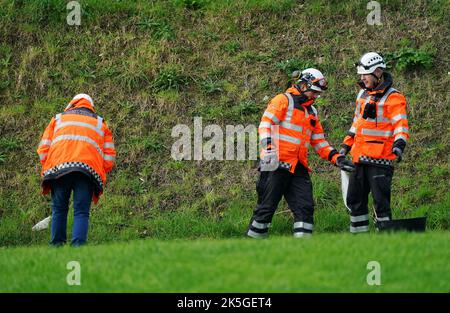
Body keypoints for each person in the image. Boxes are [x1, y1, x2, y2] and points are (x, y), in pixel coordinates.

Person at [246, 68, 355, 238]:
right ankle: (249, 246)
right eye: (314, 92)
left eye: (318, 94)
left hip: (298, 166)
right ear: (303, 85)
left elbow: (319, 142)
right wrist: (268, 147)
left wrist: (337, 158)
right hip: (274, 162)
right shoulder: (283, 100)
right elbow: (265, 124)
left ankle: (303, 252)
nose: (315, 96)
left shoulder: (312, 112)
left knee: (305, 208)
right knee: (265, 209)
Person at [340, 52, 409, 233]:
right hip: (359, 158)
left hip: (381, 160)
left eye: (365, 74)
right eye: (361, 75)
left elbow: (400, 124)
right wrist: (345, 146)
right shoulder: (362, 94)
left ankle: (384, 240)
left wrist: (399, 145)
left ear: (378, 72)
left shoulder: (394, 97)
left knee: (381, 203)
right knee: (355, 201)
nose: (362, 78)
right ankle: (359, 241)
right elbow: (356, 124)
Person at [37, 94, 116, 246]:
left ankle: (57, 246)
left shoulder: (58, 119)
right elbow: (109, 158)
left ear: (72, 103)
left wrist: (50, 165)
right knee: (81, 212)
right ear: (90, 105)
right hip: (87, 172)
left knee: (59, 209)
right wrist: (99, 169)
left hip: (59, 169)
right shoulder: (100, 123)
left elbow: (43, 150)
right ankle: (78, 248)